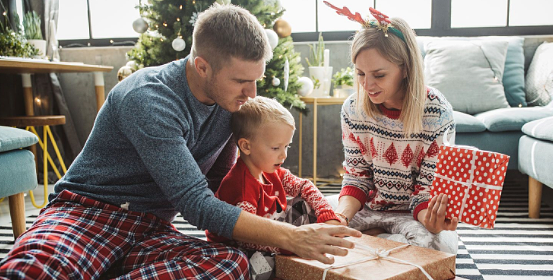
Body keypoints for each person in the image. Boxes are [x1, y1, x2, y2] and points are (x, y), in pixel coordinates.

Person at [0, 4, 360, 280]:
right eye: (240, 81)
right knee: (30, 272)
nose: (252, 94)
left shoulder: (229, 103)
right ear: (202, 66)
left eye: (256, 80)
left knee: (230, 265)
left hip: (152, 228)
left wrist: (279, 201)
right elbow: (196, 204)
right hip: (88, 214)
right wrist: (291, 237)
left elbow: (220, 186)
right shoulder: (148, 98)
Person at [324, 2, 458, 254]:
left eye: (379, 75)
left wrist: (431, 220)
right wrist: (340, 218)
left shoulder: (436, 112)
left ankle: (371, 243)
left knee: (435, 247)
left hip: (411, 217)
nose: (367, 85)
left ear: (405, 68)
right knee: (304, 213)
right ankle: (377, 242)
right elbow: (357, 176)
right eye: (361, 73)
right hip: (366, 209)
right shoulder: (353, 108)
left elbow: (427, 189)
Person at [206, 96, 344, 280]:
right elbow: (247, 237)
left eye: (287, 146)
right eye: (275, 148)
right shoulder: (241, 186)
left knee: (306, 205)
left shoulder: (270, 169)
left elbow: (304, 186)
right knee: (259, 265)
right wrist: (292, 245)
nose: (284, 154)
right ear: (246, 146)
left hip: (272, 228)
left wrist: (327, 216)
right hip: (241, 245)